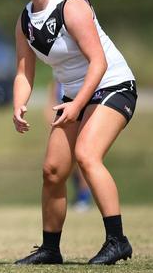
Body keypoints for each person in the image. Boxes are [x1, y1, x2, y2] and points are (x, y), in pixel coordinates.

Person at [12, 0, 137, 265]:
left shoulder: (71, 5)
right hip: (74, 96)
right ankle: (50, 249)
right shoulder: (25, 19)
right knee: (53, 171)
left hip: (112, 86)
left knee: (86, 154)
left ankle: (117, 241)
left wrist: (77, 105)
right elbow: (24, 72)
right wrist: (18, 104)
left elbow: (99, 61)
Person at [46, 81, 92, 212]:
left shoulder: (79, 78)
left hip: (81, 121)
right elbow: (51, 103)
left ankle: (84, 198)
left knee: (82, 159)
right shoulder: (57, 81)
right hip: (64, 123)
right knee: (64, 164)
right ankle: (78, 194)